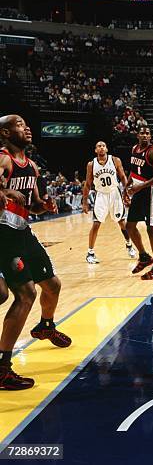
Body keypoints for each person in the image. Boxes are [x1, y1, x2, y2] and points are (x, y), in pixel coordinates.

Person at [0, 115, 71, 390]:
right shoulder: (4, 158)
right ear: (5, 132)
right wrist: (4, 190)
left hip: (23, 231)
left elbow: (34, 205)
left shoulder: (31, 166)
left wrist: (45, 206)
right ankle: (3, 367)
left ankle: (45, 325)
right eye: (19, 124)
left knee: (52, 285)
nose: (26, 127)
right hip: (5, 234)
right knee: (26, 294)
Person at [82, 140, 136, 264]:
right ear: (95, 150)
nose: (101, 148)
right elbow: (88, 183)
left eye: (103, 146)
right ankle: (90, 253)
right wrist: (85, 202)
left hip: (115, 193)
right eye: (98, 146)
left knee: (122, 223)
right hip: (100, 195)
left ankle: (129, 245)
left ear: (106, 149)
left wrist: (126, 192)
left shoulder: (115, 160)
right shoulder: (91, 164)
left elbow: (122, 177)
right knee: (96, 224)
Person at [124, 126, 153, 280]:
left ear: (150, 136)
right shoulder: (134, 149)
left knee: (151, 229)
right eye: (142, 133)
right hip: (138, 190)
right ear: (137, 135)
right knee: (130, 226)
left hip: (152, 192)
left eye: (148, 133)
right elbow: (134, 171)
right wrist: (126, 186)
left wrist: (140, 186)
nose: (145, 135)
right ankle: (144, 256)